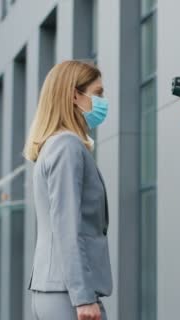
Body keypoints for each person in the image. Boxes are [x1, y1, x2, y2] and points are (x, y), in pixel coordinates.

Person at [24, 60, 111, 320]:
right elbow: (66, 226)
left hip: (56, 293)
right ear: (75, 95)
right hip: (71, 296)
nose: (103, 101)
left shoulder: (54, 145)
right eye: (98, 93)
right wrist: (83, 297)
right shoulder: (67, 146)